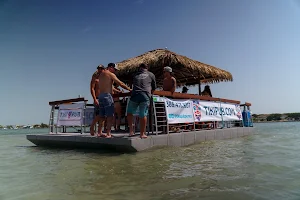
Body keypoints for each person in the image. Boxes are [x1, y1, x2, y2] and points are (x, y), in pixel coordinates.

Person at [97, 63, 132, 138]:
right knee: (110, 116)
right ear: (111, 67)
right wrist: (129, 89)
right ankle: (108, 133)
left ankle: (99, 132)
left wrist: (118, 91)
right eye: (115, 69)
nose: (115, 71)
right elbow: (120, 83)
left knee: (102, 116)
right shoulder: (110, 74)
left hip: (100, 96)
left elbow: (111, 86)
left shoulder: (101, 75)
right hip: (107, 96)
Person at [127, 63, 157, 139]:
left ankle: (131, 131)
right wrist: (150, 95)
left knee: (130, 113)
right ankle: (142, 133)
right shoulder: (151, 74)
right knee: (143, 114)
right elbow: (154, 87)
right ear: (147, 68)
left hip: (135, 95)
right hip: (145, 95)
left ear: (139, 68)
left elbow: (131, 84)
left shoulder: (135, 75)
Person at [90, 64, 104, 136]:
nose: (100, 70)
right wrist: (95, 98)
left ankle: (100, 132)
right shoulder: (95, 78)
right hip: (98, 98)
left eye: (101, 68)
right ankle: (92, 126)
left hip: (104, 98)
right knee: (98, 115)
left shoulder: (104, 78)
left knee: (103, 116)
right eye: (99, 68)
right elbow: (92, 89)